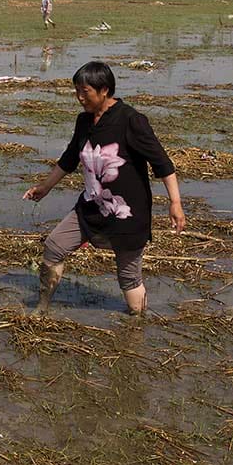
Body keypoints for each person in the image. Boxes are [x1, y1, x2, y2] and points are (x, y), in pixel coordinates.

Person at [23, 61, 186, 316]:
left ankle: (137, 327)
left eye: (85, 91)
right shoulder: (84, 121)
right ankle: (41, 309)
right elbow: (69, 159)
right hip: (90, 207)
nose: (79, 97)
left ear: (104, 90)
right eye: (76, 90)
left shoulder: (131, 120)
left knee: (129, 278)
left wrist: (175, 203)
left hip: (127, 214)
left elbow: (163, 164)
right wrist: (45, 187)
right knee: (54, 246)